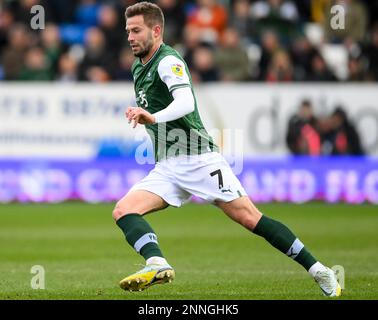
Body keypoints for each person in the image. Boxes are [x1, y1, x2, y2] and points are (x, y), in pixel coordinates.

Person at [114, 2, 342, 297]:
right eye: (127, 31)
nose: (130, 37)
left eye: (136, 30)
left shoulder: (168, 61)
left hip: (198, 158)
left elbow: (186, 102)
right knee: (123, 210)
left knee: (250, 218)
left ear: (156, 31)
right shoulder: (137, 66)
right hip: (168, 165)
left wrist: (152, 116)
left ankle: (319, 270)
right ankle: (157, 263)